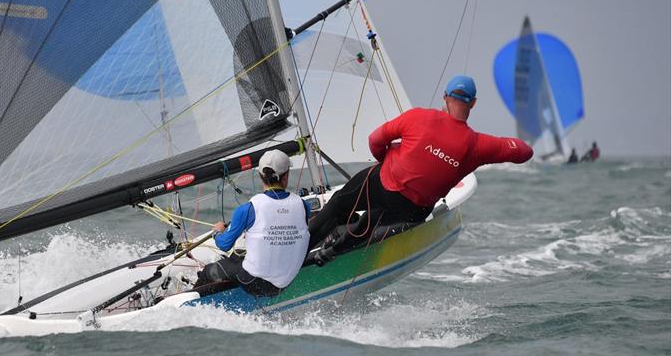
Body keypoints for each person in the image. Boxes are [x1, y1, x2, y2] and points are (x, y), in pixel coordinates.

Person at [308, 75, 533, 260]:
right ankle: (333, 252)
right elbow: (524, 151)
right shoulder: (479, 145)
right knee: (371, 219)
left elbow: (375, 140)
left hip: (384, 184)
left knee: (339, 203)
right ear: (473, 103)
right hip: (414, 210)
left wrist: (384, 159)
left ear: (445, 97)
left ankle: (298, 254)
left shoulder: (419, 117)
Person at [194, 149, 311, 297]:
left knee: (209, 271)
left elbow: (224, 245)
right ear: (286, 176)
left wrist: (217, 232)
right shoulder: (304, 206)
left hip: (254, 283)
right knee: (238, 259)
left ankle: (188, 306)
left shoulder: (247, 209)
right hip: (286, 282)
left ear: (260, 176)